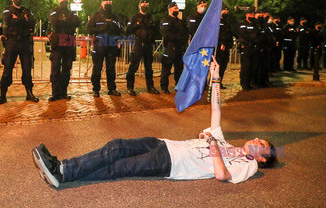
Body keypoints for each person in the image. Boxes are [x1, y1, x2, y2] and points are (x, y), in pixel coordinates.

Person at [32, 59, 277, 188]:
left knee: (120, 167)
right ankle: (63, 168)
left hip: (172, 163)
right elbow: (216, 108)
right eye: (260, 139)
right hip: (165, 144)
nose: (257, 140)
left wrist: (212, 143)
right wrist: (215, 79)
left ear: (262, 158)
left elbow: (222, 175)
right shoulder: (225, 141)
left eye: (262, 144)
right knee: (116, 147)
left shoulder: (248, 166)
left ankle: (63, 172)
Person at [0, 0, 38, 104]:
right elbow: (9, 21)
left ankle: (29, 93)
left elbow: (32, 23)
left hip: (25, 43)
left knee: (27, 69)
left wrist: (17, 19)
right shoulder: (7, 10)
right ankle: (2, 95)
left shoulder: (27, 11)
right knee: (7, 69)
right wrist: (24, 20)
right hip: (12, 42)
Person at [87, 0, 123, 97]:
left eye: (110, 2)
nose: (108, 4)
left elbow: (120, 30)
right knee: (97, 68)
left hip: (111, 45)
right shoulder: (96, 15)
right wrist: (101, 29)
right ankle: (96, 89)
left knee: (111, 68)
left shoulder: (115, 16)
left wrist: (118, 40)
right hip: (100, 44)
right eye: (106, 2)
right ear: (102, 3)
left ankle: (112, 89)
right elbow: (89, 29)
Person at [48, 0, 80, 101]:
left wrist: (64, 21)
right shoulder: (54, 11)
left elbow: (78, 23)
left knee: (67, 67)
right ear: (58, 1)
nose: (64, 0)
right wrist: (67, 22)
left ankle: (64, 92)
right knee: (55, 68)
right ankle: (55, 94)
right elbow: (54, 23)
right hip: (58, 40)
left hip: (69, 40)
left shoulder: (71, 12)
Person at [125, 0, 160, 96]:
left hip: (148, 45)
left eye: (146, 4)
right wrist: (136, 25)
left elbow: (155, 31)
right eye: (143, 4)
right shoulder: (135, 17)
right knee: (133, 66)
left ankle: (150, 87)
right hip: (139, 44)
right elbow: (128, 30)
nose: (145, 6)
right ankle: (130, 87)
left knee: (149, 68)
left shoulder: (150, 17)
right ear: (139, 6)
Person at [159, 2, 188, 93]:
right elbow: (167, 34)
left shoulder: (180, 21)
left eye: (177, 9)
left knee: (179, 69)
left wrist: (183, 40)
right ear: (170, 9)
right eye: (175, 9)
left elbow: (185, 33)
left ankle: (178, 85)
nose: (177, 10)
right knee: (166, 69)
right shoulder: (165, 21)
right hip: (170, 48)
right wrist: (179, 39)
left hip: (179, 48)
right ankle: (164, 87)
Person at [215, 6, 234, 89]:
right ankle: (214, 82)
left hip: (226, 46)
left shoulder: (227, 21)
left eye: (227, 10)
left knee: (223, 65)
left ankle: (219, 81)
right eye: (224, 10)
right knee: (217, 65)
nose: (226, 12)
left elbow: (229, 33)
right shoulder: (216, 20)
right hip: (219, 47)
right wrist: (221, 43)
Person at [238, 10, 258, 91]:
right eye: (250, 14)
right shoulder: (242, 24)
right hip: (245, 47)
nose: (252, 16)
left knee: (252, 66)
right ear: (246, 15)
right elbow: (244, 34)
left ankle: (250, 83)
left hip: (253, 47)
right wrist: (253, 38)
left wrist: (254, 39)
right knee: (246, 67)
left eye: (253, 15)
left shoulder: (254, 24)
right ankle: (245, 84)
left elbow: (257, 34)